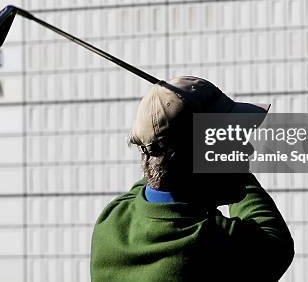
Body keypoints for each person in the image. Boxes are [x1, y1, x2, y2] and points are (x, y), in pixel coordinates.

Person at [90, 76, 294, 281]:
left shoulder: (111, 220)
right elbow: (275, 241)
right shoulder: (211, 244)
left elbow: (159, 171)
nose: (247, 150)